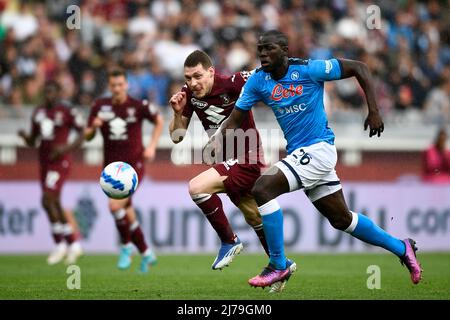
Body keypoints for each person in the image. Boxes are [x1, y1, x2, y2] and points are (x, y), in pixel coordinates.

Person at [207, 30, 422, 289]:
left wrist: (374, 111)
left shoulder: (310, 70)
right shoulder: (257, 81)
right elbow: (236, 118)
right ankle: (402, 247)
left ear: (285, 50)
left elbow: (360, 68)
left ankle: (278, 264)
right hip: (302, 155)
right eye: (260, 49)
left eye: (269, 48)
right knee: (342, 219)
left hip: (318, 150)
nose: (263, 53)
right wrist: (218, 139)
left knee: (262, 189)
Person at [169, 50, 280, 282]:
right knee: (253, 216)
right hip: (227, 161)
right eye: (188, 78)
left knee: (197, 187)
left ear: (211, 72)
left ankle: (229, 240)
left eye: (198, 76)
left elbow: (266, 75)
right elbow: (177, 136)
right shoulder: (187, 94)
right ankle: (280, 265)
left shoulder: (233, 82)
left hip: (248, 156)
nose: (193, 83)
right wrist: (177, 114)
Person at [85, 69, 164, 273]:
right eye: (113, 85)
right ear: (109, 87)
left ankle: (126, 247)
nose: (117, 89)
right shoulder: (99, 106)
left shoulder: (137, 106)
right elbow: (87, 136)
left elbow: (159, 120)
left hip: (133, 167)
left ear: (126, 85)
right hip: (111, 169)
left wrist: (152, 146)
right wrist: (93, 128)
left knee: (114, 206)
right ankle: (146, 253)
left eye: (121, 84)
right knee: (127, 212)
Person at [18, 81, 84, 265]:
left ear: (58, 93)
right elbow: (33, 140)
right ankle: (73, 244)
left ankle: (60, 244)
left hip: (60, 161)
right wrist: (25, 137)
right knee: (52, 202)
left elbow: (83, 133)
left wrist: (65, 148)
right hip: (45, 162)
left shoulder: (66, 112)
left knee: (47, 199)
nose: (49, 96)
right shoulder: (38, 113)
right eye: (46, 92)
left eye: (52, 92)